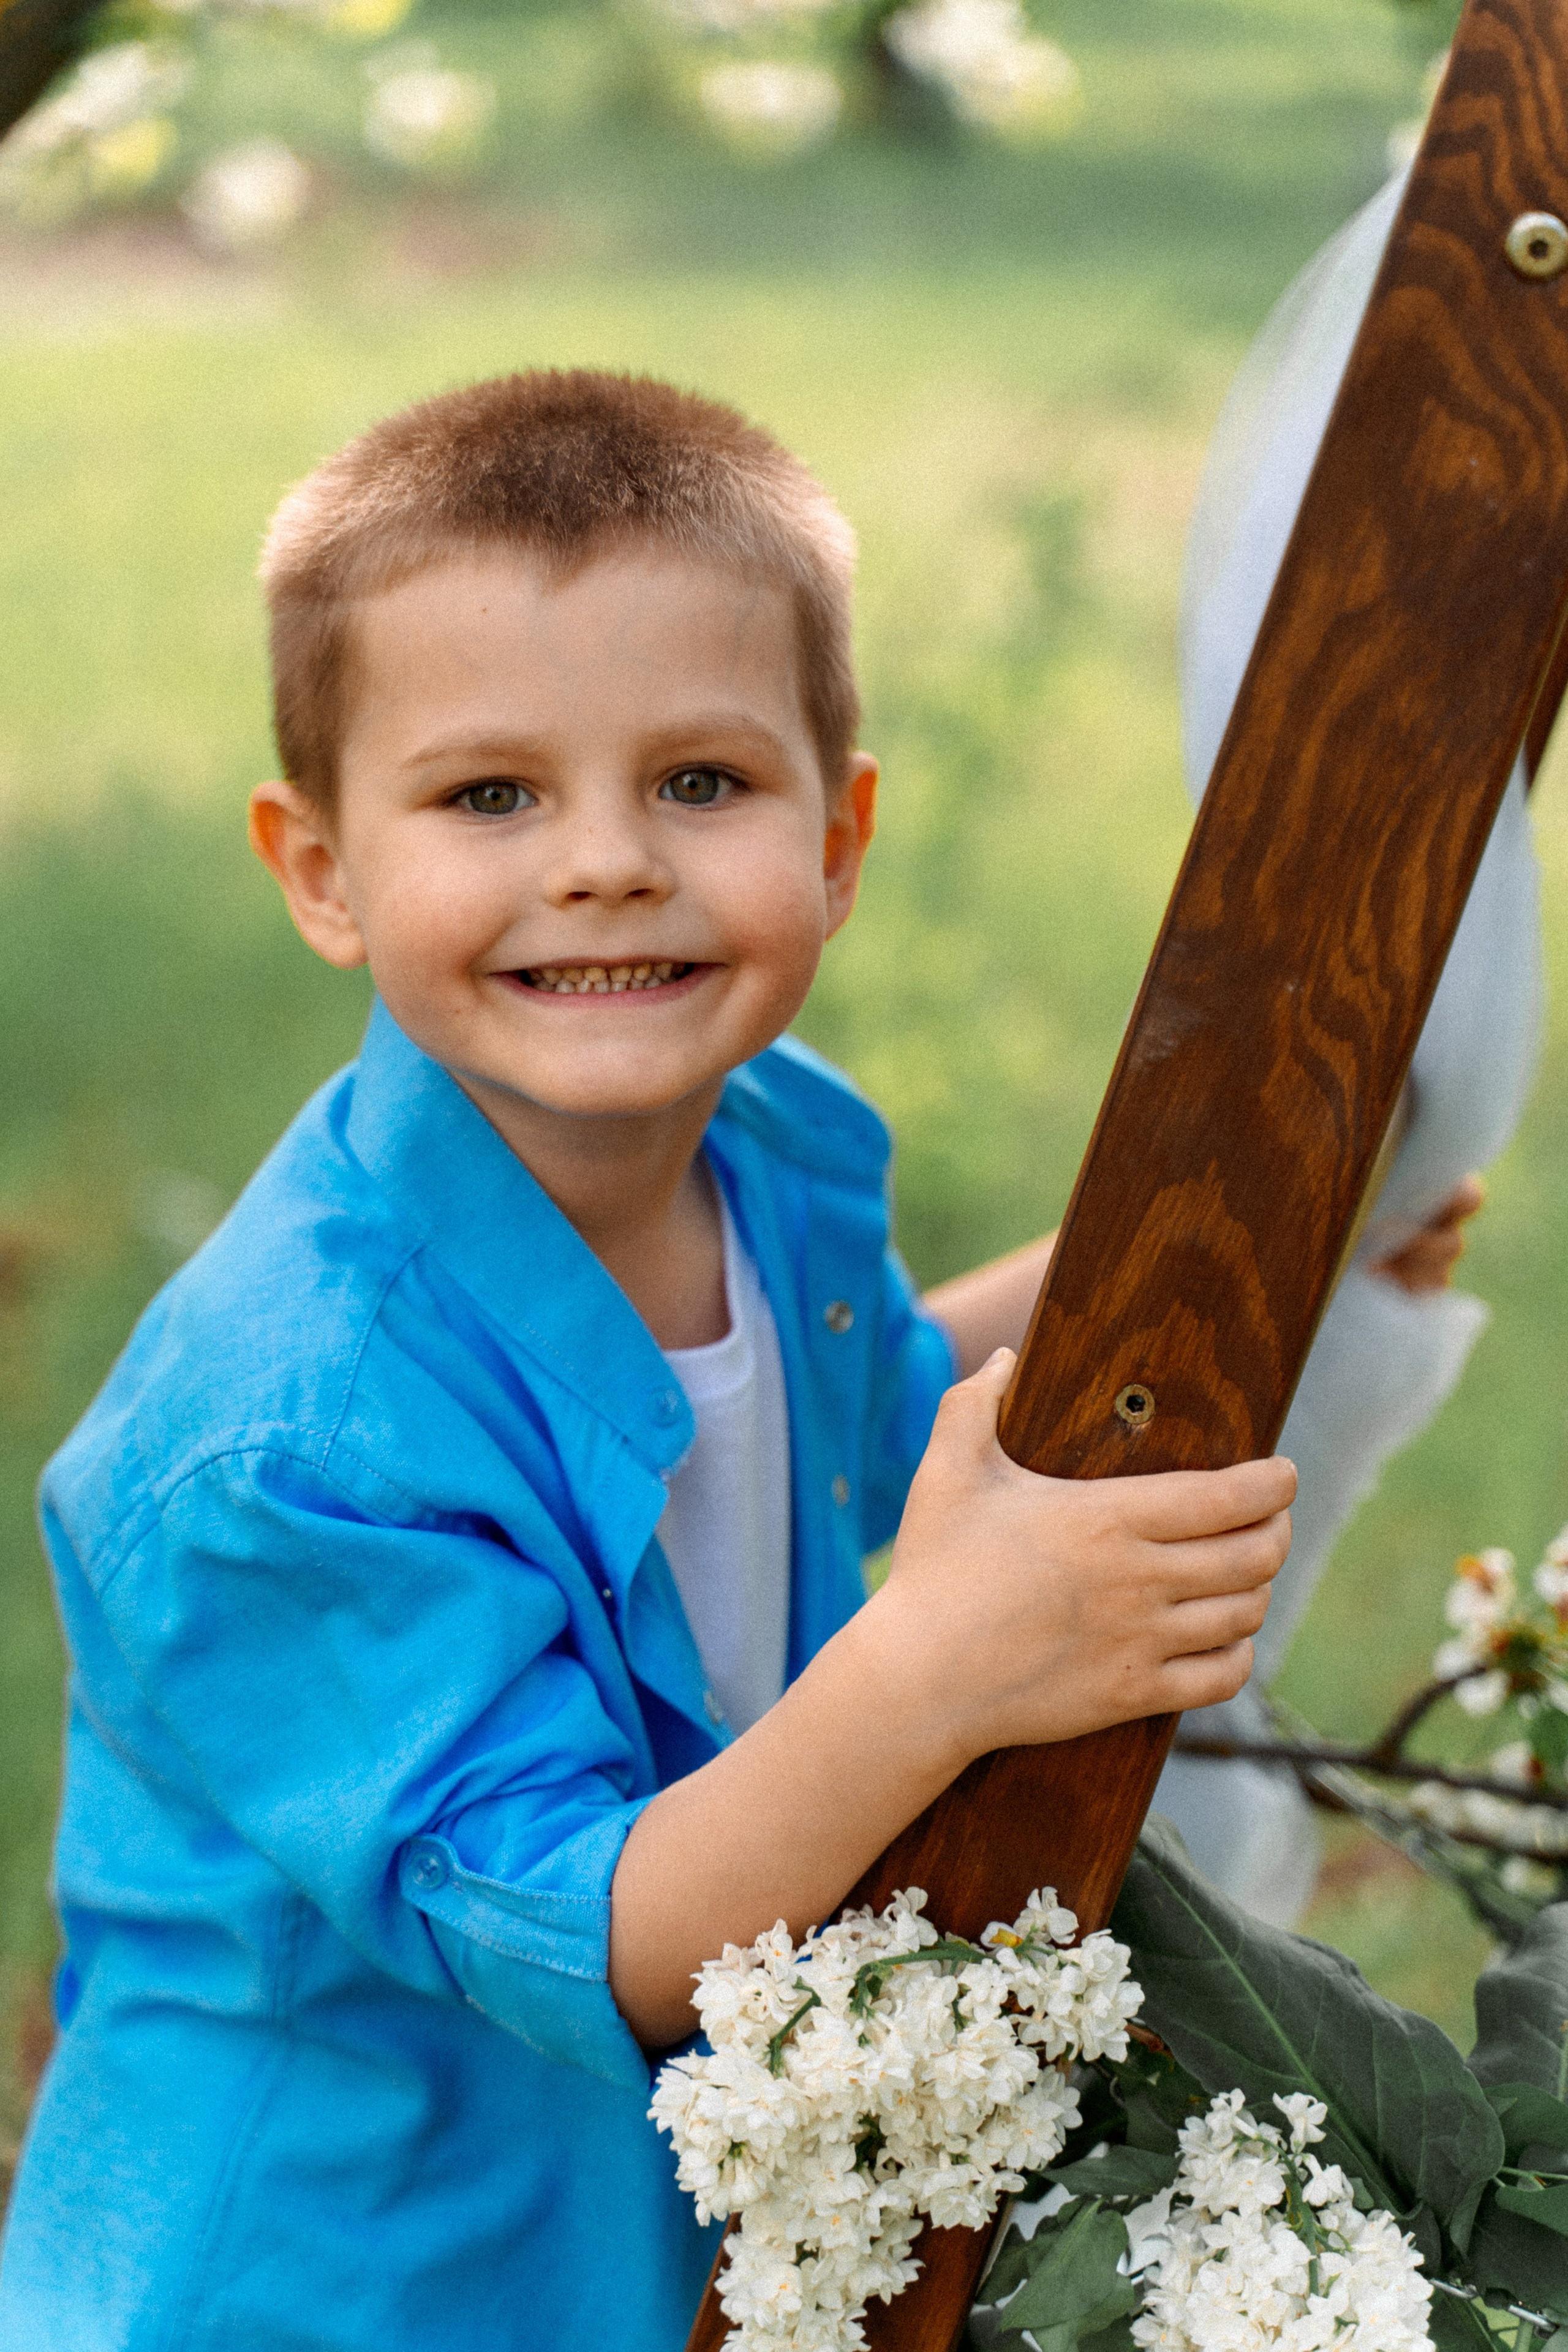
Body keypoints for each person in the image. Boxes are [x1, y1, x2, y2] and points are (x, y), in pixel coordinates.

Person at [0, 369, 1303, 2351]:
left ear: (841, 833)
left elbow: (839, 1421)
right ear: (321, 867)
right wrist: (949, 1653)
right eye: (488, 794)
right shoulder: (277, 1445)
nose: (605, 861)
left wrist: (1268, 1240)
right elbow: (610, 1935)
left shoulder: (771, 1145)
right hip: (329, 2276)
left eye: (700, 781)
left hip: (621, 2236)